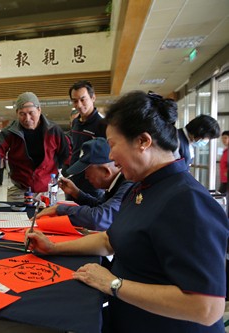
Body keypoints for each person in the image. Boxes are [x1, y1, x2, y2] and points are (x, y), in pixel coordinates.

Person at [26, 91, 228, 332]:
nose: (110, 156)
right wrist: (54, 248)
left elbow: (206, 308)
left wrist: (112, 283)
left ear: (143, 141)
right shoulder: (142, 186)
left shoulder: (188, 200)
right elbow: (110, 239)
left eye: (113, 145)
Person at [0, 92, 71, 201]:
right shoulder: (10, 132)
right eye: (22, 114)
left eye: (31, 113)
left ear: (39, 110)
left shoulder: (54, 130)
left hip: (49, 189)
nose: (27, 118)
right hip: (20, 190)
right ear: (17, 113)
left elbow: (66, 154)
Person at [36, 138, 134, 231]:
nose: (86, 177)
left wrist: (60, 209)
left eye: (87, 171)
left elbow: (100, 218)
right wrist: (77, 193)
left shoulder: (128, 186)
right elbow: (100, 206)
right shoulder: (116, 183)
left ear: (106, 171)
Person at [68, 80, 106, 200]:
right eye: (75, 101)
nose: (79, 105)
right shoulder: (75, 123)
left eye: (83, 99)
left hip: (92, 184)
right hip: (74, 179)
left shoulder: (103, 124)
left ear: (93, 97)